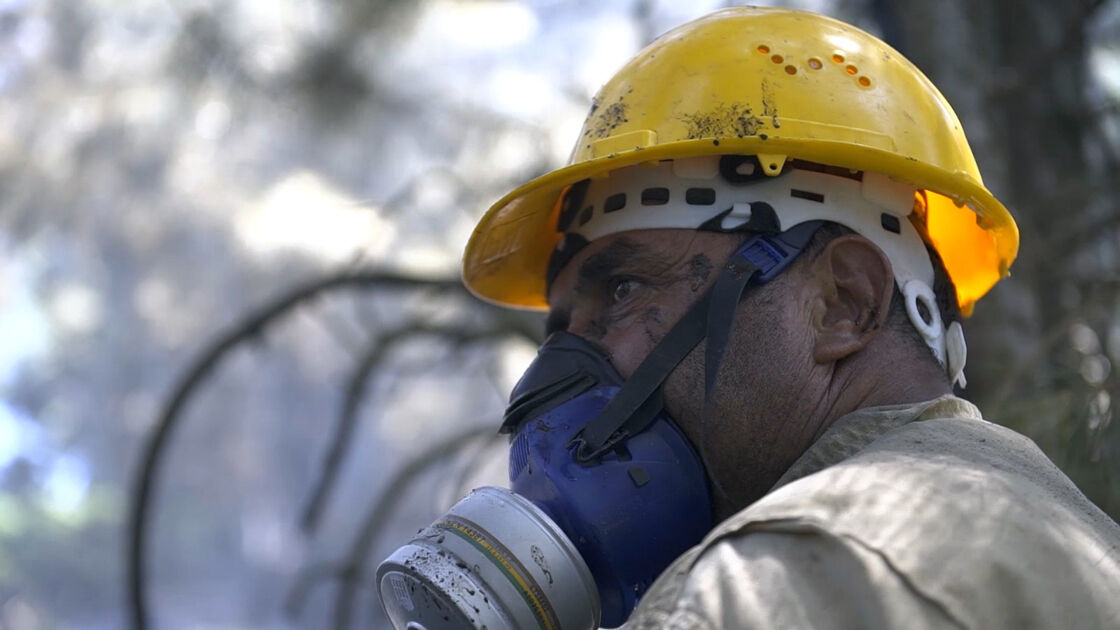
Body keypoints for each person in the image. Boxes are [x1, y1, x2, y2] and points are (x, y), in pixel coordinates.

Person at [458, 7, 1120, 628]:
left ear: (843, 302)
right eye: (563, 332)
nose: (547, 382)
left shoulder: (761, 586)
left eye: (625, 289)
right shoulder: (1081, 540)